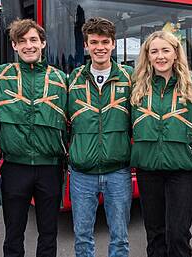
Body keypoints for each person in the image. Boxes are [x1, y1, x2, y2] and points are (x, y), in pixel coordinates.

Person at [0, 19, 68, 257]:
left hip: (50, 168)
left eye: (33, 40)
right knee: (13, 234)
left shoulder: (61, 80)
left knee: (48, 233)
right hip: (14, 168)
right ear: (14, 46)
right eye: (22, 41)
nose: (28, 46)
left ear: (43, 43)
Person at [67, 17, 133, 257]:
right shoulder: (73, 80)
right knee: (82, 237)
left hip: (118, 170)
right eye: (94, 42)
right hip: (82, 172)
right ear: (86, 46)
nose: (100, 47)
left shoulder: (130, 78)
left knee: (120, 237)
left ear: (113, 44)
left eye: (105, 42)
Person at [130, 30, 192, 257]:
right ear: (147, 56)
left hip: (181, 170)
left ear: (176, 54)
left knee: (179, 234)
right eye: (154, 51)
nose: (160, 56)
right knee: (155, 233)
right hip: (148, 169)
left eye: (165, 50)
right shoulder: (135, 86)